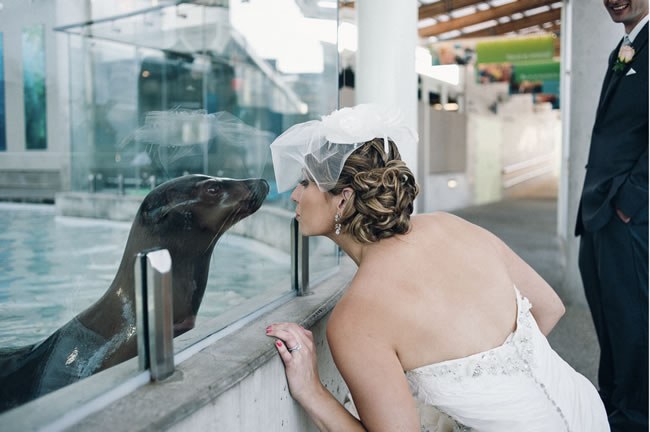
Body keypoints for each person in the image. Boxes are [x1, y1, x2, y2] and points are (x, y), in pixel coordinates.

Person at [266, 103, 610, 431]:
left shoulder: (356, 317)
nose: (294, 195)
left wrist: (311, 390)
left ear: (343, 200)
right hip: (585, 411)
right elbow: (550, 308)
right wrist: (497, 390)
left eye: (306, 182)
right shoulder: (451, 225)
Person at [575, 2, 649, 431]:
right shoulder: (625, 46)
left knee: (634, 321)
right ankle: (612, 409)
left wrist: (631, 201)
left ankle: (636, 417)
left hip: (628, 214)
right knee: (610, 320)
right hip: (598, 212)